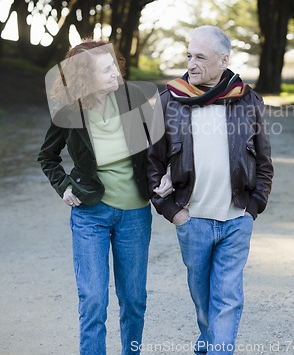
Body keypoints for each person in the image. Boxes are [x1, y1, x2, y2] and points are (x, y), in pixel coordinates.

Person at [147, 26, 274, 355]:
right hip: (193, 221)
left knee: (228, 299)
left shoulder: (248, 101)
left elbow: (263, 160)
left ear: (224, 60)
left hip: (236, 219)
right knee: (202, 298)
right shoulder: (167, 102)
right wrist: (172, 212)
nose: (192, 63)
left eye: (201, 57)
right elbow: (150, 163)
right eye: (189, 55)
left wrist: (253, 207)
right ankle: (208, 341)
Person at [38, 40, 158, 355]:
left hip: (135, 214)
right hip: (90, 213)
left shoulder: (131, 99)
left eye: (113, 65)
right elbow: (47, 157)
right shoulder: (70, 111)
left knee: (133, 300)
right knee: (93, 299)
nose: (115, 72)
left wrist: (167, 176)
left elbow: (155, 150)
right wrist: (63, 186)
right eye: (105, 69)